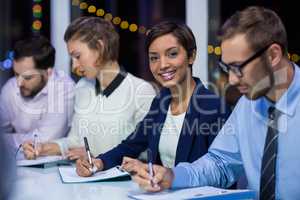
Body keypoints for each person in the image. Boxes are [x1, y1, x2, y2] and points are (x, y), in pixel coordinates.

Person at [125, 6, 300, 200]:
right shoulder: (247, 105)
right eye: (227, 68)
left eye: (238, 67)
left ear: (273, 55)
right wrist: (171, 176)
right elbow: (220, 163)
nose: (232, 80)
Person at [75, 21, 231, 178]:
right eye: (154, 58)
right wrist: (99, 162)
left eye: (172, 54)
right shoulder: (161, 102)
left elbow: (222, 173)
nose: (162, 65)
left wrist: (167, 177)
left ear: (191, 56)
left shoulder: (213, 107)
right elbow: (132, 145)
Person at [22, 17, 156, 160]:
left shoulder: (141, 91)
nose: (74, 67)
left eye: (77, 56)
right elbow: (75, 141)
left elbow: (145, 152)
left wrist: (95, 158)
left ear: (99, 48)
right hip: (84, 179)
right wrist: (42, 148)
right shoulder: (82, 87)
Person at [0, 35, 75, 151]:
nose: (19, 83)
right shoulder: (10, 87)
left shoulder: (65, 88)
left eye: (27, 77)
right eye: (16, 74)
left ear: (48, 72)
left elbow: (47, 139)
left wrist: (8, 140)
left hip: (53, 164)